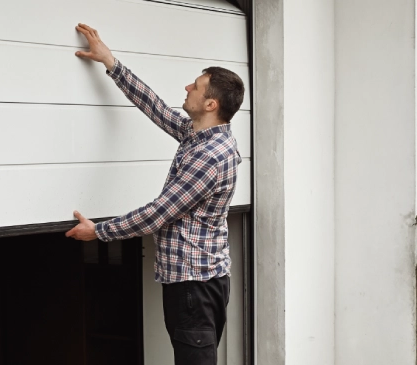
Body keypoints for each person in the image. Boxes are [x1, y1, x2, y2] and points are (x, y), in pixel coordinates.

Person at [66, 23, 244, 365]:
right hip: (197, 281)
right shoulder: (199, 137)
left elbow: (158, 214)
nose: (187, 86)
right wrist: (111, 63)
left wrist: (98, 231)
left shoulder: (210, 156)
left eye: (197, 85)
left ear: (210, 103)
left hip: (194, 286)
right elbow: (157, 108)